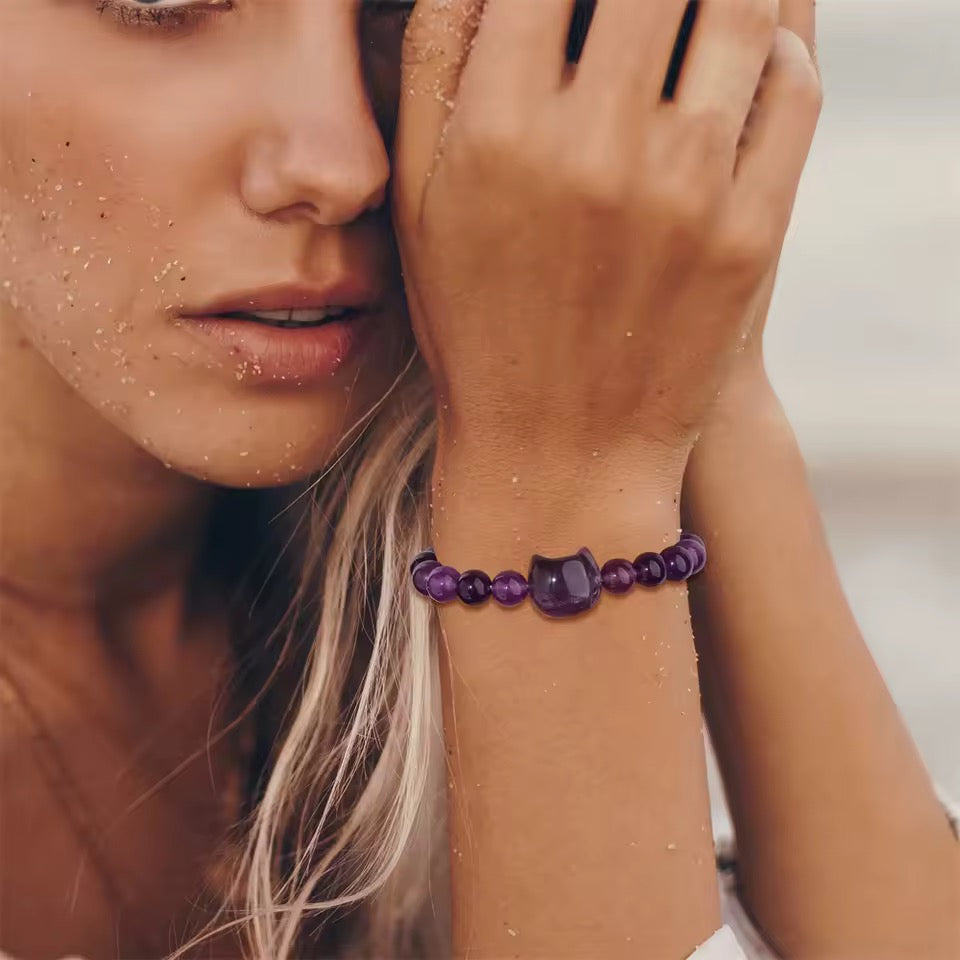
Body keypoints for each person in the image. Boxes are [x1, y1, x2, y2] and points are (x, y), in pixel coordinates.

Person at [0, 0, 956, 958]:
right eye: (166, 3)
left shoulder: (418, 524)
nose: (342, 166)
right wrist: (560, 490)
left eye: (402, 6)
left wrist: (694, 364)